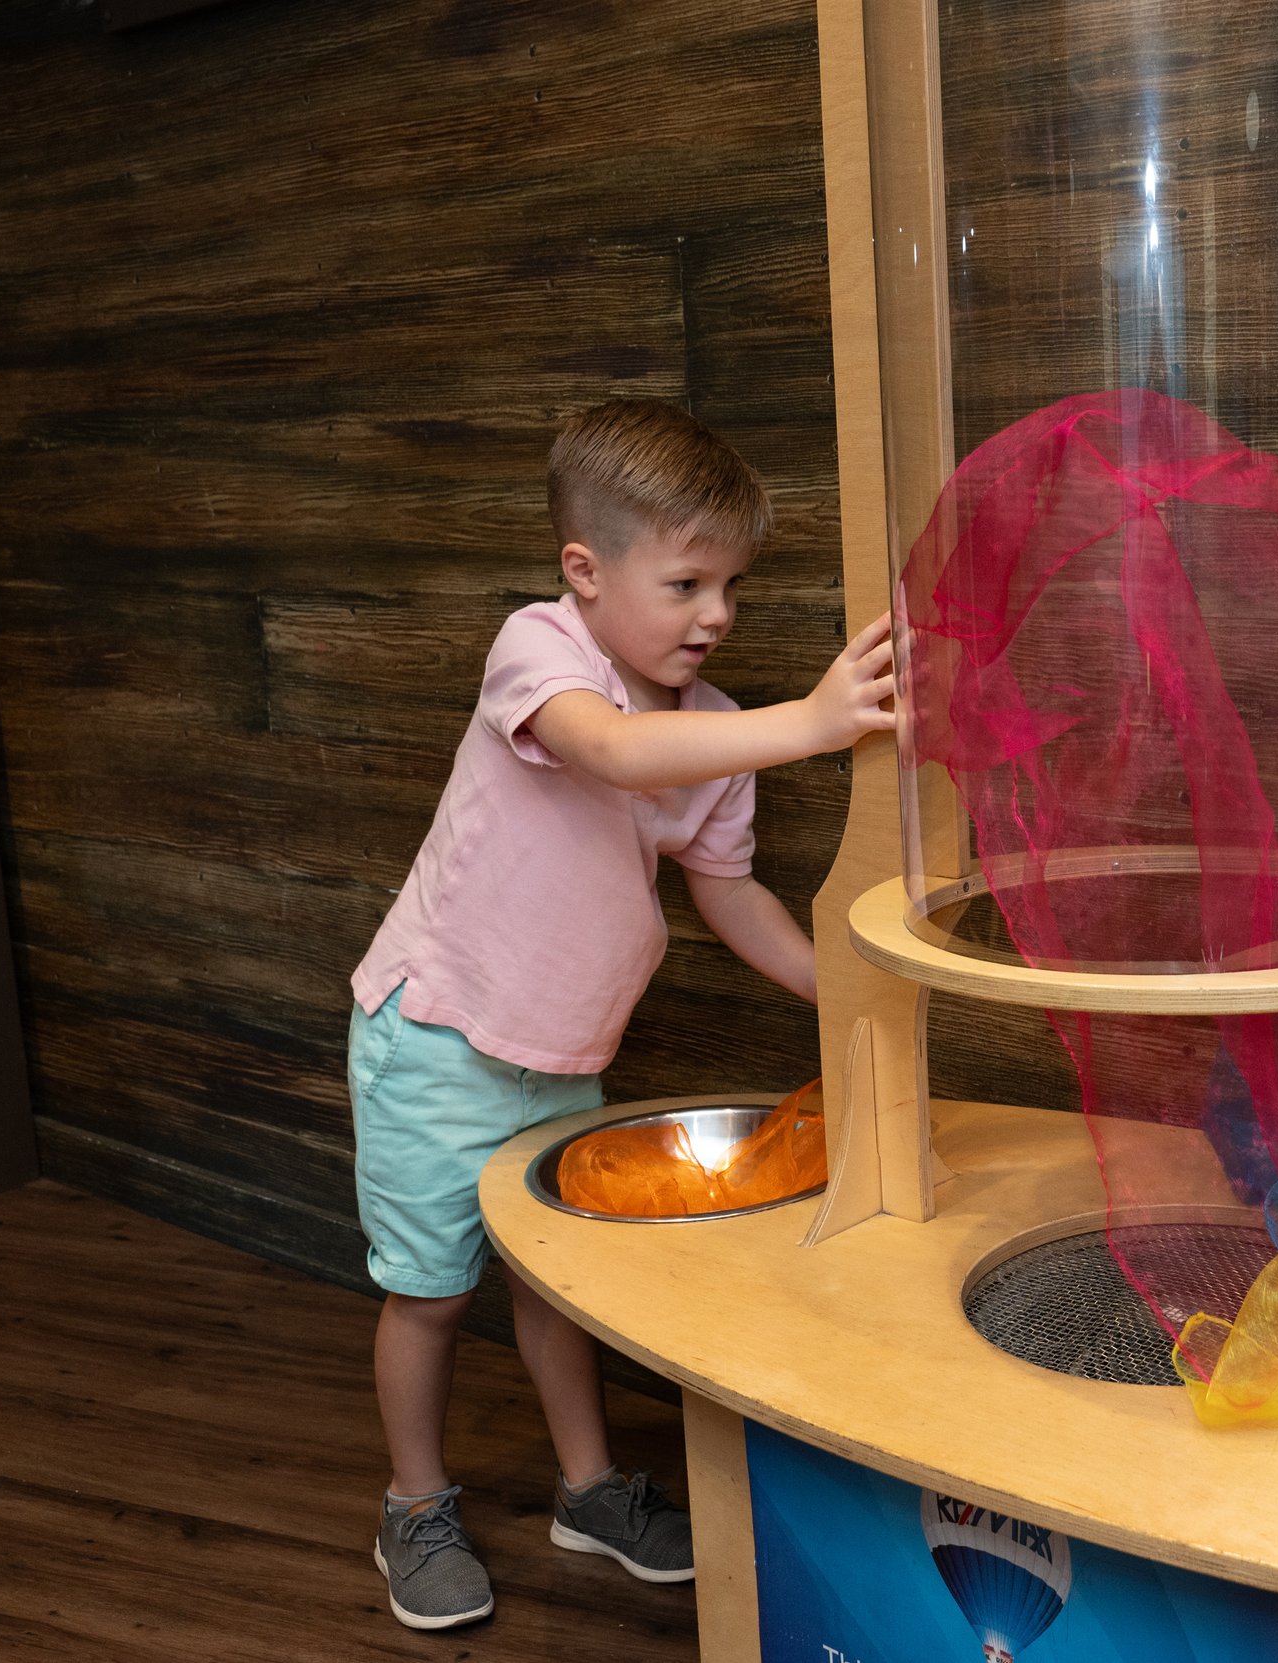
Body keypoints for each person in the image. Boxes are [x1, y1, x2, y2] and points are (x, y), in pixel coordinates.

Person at [346, 397, 893, 1630]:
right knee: (432, 1291)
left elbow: (728, 892)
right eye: (687, 581)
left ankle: (588, 1489)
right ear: (584, 574)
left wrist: (838, 988)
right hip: (440, 1034)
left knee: (557, 1285)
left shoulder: (715, 730)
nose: (718, 615)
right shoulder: (542, 653)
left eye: (733, 586)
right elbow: (604, 753)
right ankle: (415, 1502)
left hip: (563, 1056)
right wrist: (812, 723)